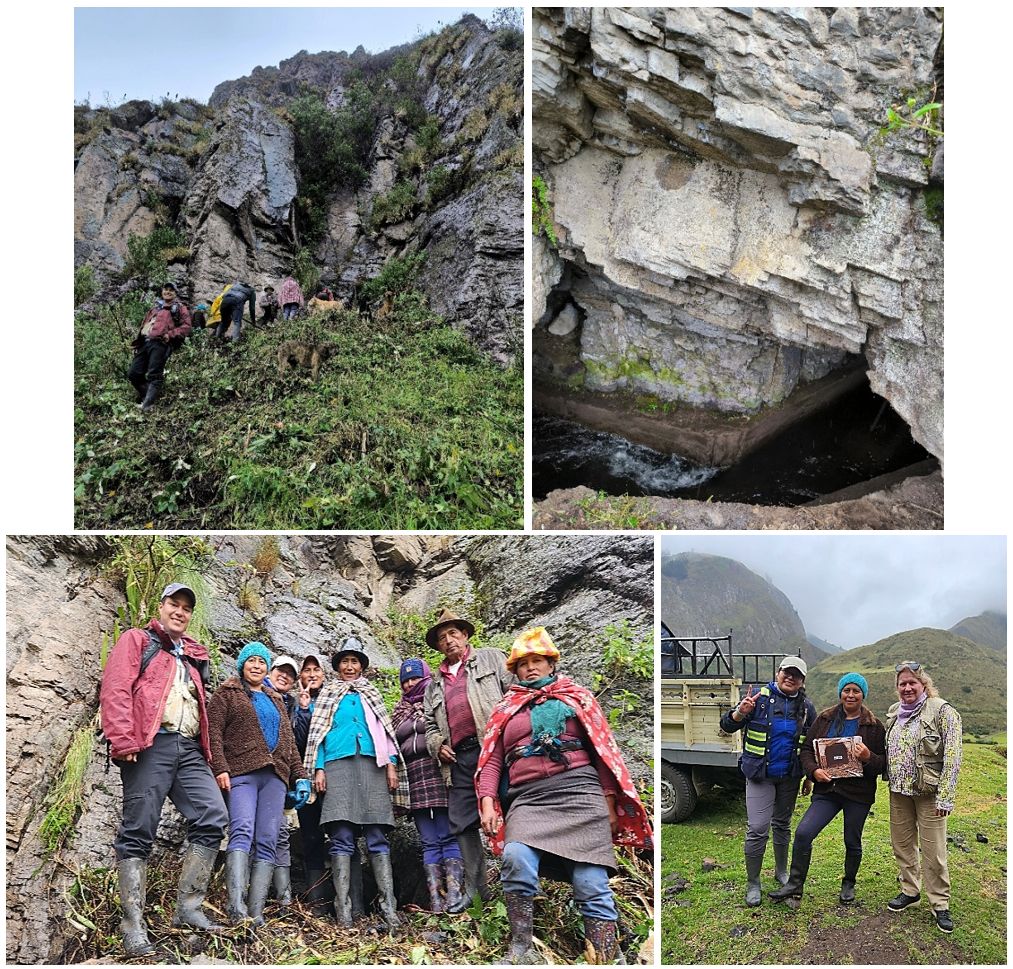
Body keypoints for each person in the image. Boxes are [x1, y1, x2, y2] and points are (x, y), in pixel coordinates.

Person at [476, 628, 653, 964]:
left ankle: (607, 955)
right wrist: (487, 799)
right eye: (523, 663)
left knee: (591, 881)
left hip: (581, 794)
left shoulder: (576, 697)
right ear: (514, 670)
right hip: (528, 799)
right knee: (515, 857)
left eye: (537, 661)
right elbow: (493, 759)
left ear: (551, 663)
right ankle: (521, 949)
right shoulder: (506, 708)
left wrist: (609, 800)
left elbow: (602, 752)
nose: (530, 668)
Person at [99, 582, 228, 956]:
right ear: (162, 606)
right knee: (139, 826)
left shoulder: (193, 657)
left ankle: (188, 908)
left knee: (213, 814)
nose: (180, 612)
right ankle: (132, 926)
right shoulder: (138, 641)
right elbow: (117, 688)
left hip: (188, 748)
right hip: (149, 744)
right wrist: (122, 739)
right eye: (175, 604)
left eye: (187, 607)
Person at [303, 639, 409, 929]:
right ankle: (344, 911)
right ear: (337, 666)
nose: (350, 667)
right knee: (341, 834)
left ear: (362, 665)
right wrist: (319, 769)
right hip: (337, 767)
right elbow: (319, 735)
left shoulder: (371, 694)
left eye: (355, 661)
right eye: (344, 662)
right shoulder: (327, 695)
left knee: (377, 834)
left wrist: (391, 765)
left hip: (373, 766)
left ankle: (389, 908)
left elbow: (386, 734)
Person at [207, 642, 310, 925]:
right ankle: (236, 907)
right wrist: (220, 767)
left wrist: (300, 776)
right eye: (251, 660)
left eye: (262, 662)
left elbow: (289, 743)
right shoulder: (227, 693)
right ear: (242, 664)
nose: (257, 666)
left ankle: (256, 912)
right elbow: (213, 732)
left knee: (267, 839)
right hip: (241, 772)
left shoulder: (275, 699)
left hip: (275, 777)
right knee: (241, 830)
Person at [423, 609, 513, 913]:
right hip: (459, 758)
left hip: (496, 750)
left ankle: (521, 879)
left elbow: (516, 694)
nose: (448, 641)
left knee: (511, 806)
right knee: (461, 822)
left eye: (453, 633)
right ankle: (478, 890)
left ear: (465, 634)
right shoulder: (434, 684)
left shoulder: (492, 658)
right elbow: (429, 724)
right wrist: (437, 745)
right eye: (442, 638)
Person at [769, 673, 886, 904]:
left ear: (863, 695)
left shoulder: (873, 726)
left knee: (852, 841)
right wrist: (813, 772)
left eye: (856, 691)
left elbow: (883, 764)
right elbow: (806, 750)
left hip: (858, 795)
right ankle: (795, 885)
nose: (850, 695)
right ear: (840, 692)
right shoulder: (824, 719)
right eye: (846, 690)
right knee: (803, 833)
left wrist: (867, 756)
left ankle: (848, 883)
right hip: (828, 791)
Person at [718, 656, 817, 906]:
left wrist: (809, 775)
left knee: (782, 825)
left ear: (802, 680)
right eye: (787, 672)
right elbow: (727, 726)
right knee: (758, 828)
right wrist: (740, 712)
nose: (790, 678)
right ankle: (753, 882)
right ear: (778, 672)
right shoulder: (758, 699)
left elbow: (811, 744)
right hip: (760, 776)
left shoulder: (806, 707)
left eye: (797, 675)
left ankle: (781, 872)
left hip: (789, 777)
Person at [885, 662, 962, 933]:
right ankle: (910, 890)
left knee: (934, 851)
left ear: (923, 684)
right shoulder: (895, 713)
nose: (907, 688)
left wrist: (946, 797)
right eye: (902, 684)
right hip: (899, 792)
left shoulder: (942, 711)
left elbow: (953, 756)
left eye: (912, 683)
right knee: (903, 845)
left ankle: (940, 903)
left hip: (930, 794)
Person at [391, 658, 464, 912]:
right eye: (406, 680)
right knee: (429, 840)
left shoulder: (436, 700)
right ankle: (435, 899)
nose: (411, 683)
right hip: (412, 778)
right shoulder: (399, 710)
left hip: (438, 774)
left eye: (415, 678)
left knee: (447, 834)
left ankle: (454, 896)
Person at [265, 654, 299, 904]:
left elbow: (292, 745)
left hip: (280, 776)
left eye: (290, 674)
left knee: (281, 834)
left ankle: (284, 899)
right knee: (253, 831)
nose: (284, 676)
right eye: (280, 670)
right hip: (251, 774)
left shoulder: (292, 705)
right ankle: (250, 896)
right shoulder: (252, 692)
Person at [127, 282, 192, 412]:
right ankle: (148, 397)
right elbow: (145, 325)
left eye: (171, 290)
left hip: (161, 344)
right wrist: (138, 342)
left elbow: (187, 327)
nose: (168, 292)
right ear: (162, 291)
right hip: (145, 343)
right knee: (133, 373)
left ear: (175, 293)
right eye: (165, 289)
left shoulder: (179, 308)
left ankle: (147, 406)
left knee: (154, 374)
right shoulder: (155, 308)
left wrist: (170, 334)